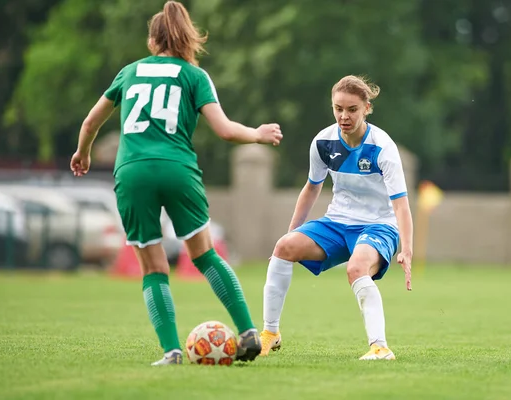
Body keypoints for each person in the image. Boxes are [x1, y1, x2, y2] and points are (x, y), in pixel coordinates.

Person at [70, 1, 282, 366]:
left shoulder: (129, 72)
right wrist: (258, 134)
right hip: (178, 170)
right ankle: (248, 331)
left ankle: (171, 351)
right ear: (186, 39)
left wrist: (83, 153)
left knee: (153, 267)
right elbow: (226, 131)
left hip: (133, 172)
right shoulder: (194, 76)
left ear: (153, 40)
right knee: (204, 255)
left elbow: (91, 123)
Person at [260, 75, 413, 360]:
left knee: (356, 269)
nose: (344, 116)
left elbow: (401, 205)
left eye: (352, 109)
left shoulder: (383, 147)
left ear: (367, 108)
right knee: (283, 248)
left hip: (379, 225)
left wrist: (406, 249)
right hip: (337, 222)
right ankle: (270, 334)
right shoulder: (323, 142)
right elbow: (311, 189)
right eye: (338, 108)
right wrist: (290, 232)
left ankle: (380, 348)